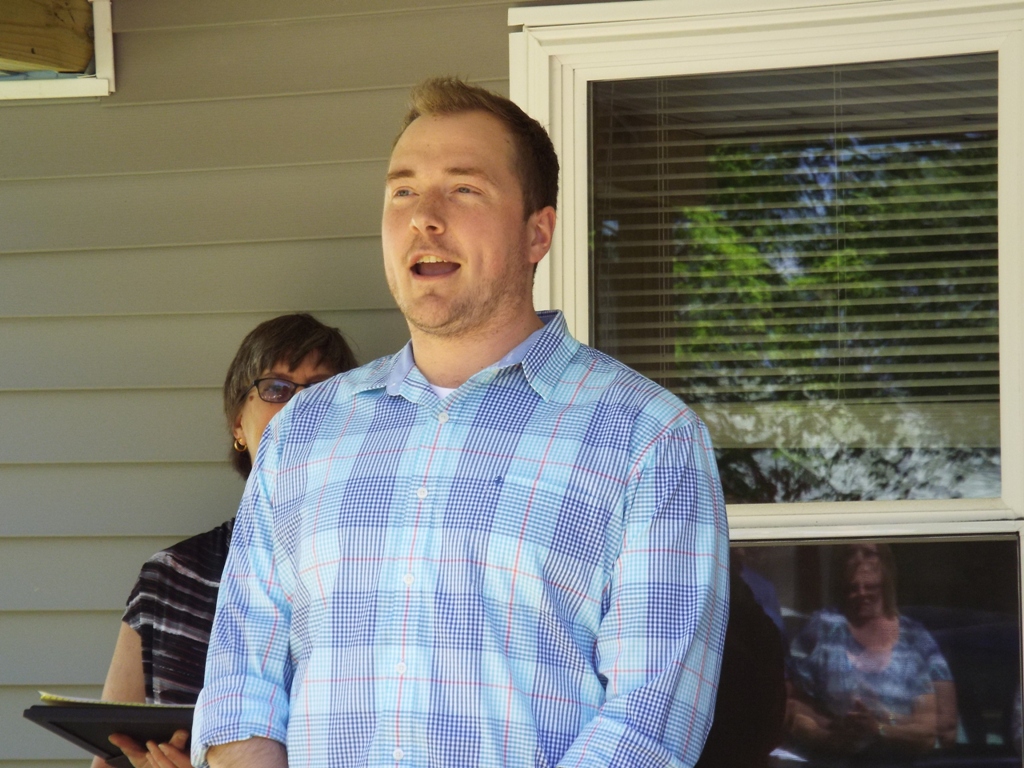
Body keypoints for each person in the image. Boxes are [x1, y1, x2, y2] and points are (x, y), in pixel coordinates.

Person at [191, 76, 730, 768]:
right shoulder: (303, 433)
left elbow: (650, 722)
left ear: (537, 232)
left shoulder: (647, 439)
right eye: (403, 192)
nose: (424, 217)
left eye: (465, 189)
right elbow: (242, 688)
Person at [90, 313, 357, 768]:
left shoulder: (374, 564)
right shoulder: (171, 577)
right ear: (238, 425)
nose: (300, 406)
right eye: (277, 389)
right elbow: (110, 753)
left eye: (321, 389)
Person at [786, 543, 958, 762]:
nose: (862, 594)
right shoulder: (823, 627)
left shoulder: (914, 638)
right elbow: (790, 702)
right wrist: (831, 733)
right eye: (853, 588)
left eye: (871, 587)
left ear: (885, 584)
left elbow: (942, 728)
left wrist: (880, 725)